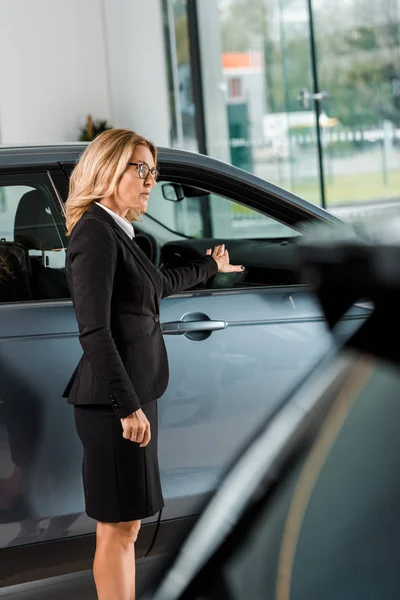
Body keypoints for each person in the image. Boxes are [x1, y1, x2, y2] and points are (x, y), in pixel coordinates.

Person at [62, 128, 244, 600]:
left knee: (126, 527)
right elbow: (94, 331)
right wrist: (127, 408)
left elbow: (155, 286)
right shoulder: (94, 235)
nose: (149, 180)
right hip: (114, 407)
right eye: (139, 168)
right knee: (119, 530)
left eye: (153, 171)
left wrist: (209, 267)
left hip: (131, 398)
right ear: (107, 169)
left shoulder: (118, 231)